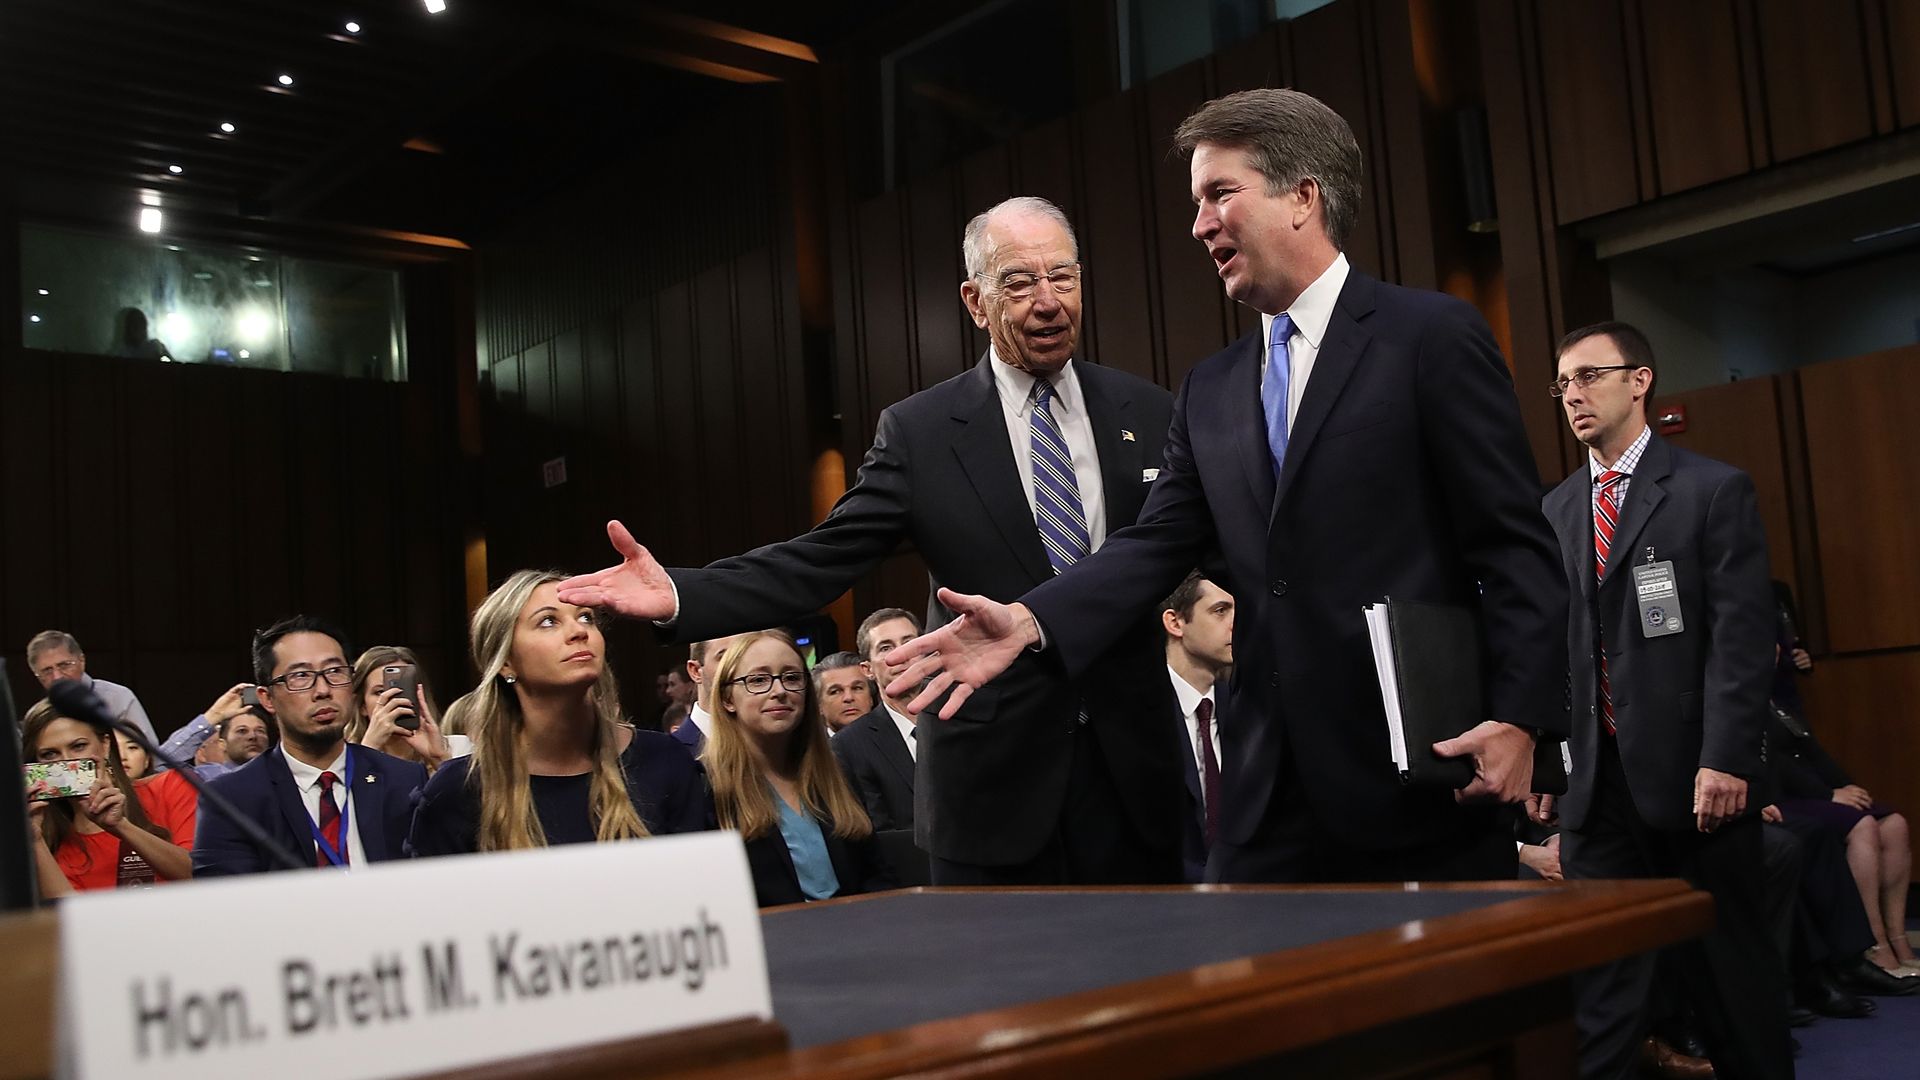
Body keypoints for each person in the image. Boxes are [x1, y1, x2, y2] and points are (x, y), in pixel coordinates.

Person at [886, 92, 1567, 886]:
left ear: (1302, 196)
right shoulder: (1209, 389)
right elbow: (1155, 544)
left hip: (1419, 771)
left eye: (1219, 194)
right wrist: (1031, 621)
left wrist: (1522, 719)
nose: (1200, 224)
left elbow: (1513, 545)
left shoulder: (1431, 339)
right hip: (1264, 790)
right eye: (1195, 202)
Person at [560, 196, 1186, 886]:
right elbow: (821, 560)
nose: (1048, 301)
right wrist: (682, 592)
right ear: (975, 302)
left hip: (1136, 783)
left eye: (1062, 277)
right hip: (993, 791)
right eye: (1019, 282)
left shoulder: (1150, 410)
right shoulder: (921, 433)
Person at [1535, 321, 1788, 1079]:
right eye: (1563, 384)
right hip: (1597, 793)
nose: (1572, 395)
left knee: (1731, 987)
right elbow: (1558, 649)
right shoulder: (1554, 510)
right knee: (1605, 995)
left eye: (1588, 377)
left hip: (1693, 783)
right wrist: (1551, 763)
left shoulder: (1712, 490)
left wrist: (1725, 757)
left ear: (1639, 380)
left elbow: (1741, 643)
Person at [408, 571, 708, 856]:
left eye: (586, 617)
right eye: (548, 621)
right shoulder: (458, 790)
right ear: (506, 663)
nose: (579, 631)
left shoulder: (665, 761)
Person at [192, 617, 426, 876]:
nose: (323, 690)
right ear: (267, 699)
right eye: (301, 676)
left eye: (335, 671)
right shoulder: (233, 798)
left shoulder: (403, 779)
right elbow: (227, 905)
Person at [704, 631, 892, 906]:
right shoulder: (708, 787)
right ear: (727, 699)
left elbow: (877, 874)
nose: (779, 691)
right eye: (758, 680)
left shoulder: (835, 771)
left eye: (791, 678)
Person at [22, 699, 196, 894]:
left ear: (105, 745)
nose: (67, 761)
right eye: (50, 754)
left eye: (78, 746)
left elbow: (201, 876)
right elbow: (71, 919)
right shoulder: (53, 843)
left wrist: (120, 826)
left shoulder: (169, 787)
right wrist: (35, 840)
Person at [1161, 572, 1234, 883]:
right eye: (1220, 611)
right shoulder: (1140, 716)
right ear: (1175, 622)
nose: (1235, 623)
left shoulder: (1249, 711)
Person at [831, 611, 922, 832]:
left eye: (909, 643)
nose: (901, 654)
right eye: (886, 647)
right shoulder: (849, 745)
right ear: (867, 669)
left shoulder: (964, 718)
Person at [25, 630, 158, 743]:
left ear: (82, 661)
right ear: (36, 675)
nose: (57, 676)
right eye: (47, 671)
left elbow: (149, 755)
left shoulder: (118, 698)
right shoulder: (37, 715)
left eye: (64, 665)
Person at [344, 645, 453, 772]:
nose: (394, 700)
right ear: (362, 705)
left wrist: (438, 760)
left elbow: (461, 791)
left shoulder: (457, 749)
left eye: (402, 690)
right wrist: (369, 747)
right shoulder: (342, 759)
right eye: (380, 692)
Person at [674, 636, 738, 756]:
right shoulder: (670, 754)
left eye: (744, 658)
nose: (739, 667)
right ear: (695, 671)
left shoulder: (773, 745)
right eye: (725, 658)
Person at [814, 651, 876, 733]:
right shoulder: (812, 745)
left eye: (857, 688)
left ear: (871, 698)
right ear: (819, 705)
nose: (849, 697)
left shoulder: (892, 740)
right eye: (835, 691)